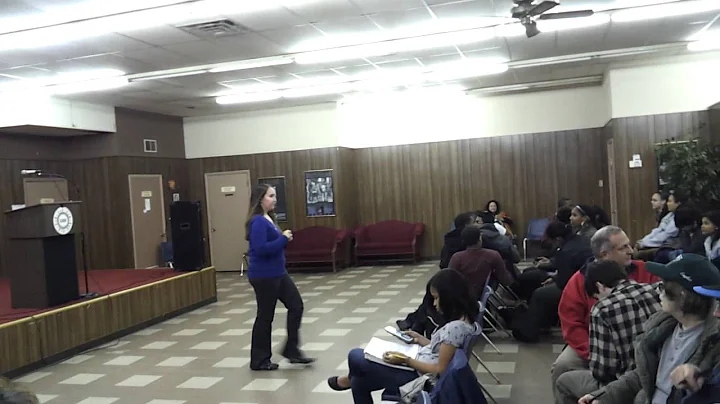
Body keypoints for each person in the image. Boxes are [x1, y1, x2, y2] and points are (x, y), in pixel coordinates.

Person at [578, 254, 720, 404]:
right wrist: (603, 396)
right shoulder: (662, 328)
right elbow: (642, 375)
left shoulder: (714, 342)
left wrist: (699, 382)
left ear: (682, 295)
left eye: (662, 286)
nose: (658, 292)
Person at [327, 269, 479, 404]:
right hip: (417, 364)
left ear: (449, 297)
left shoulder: (455, 328)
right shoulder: (464, 321)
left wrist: (406, 360)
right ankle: (349, 379)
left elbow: (439, 369)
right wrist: (420, 339)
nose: (434, 303)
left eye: (437, 298)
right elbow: (439, 351)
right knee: (358, 382)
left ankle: (346, 379)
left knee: (355, 356)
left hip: (419, 377)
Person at [553, 226, 658, 397]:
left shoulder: (646, 270)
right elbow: (571, 323)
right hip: (593, 344)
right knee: (562, 366)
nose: (631, 251)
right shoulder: (580, 279)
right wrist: (593, 351)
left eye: (629, 245)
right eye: (623, 248)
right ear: (604, 254)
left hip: (642, 343)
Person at [245, 184, 313, 371]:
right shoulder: (258, 221)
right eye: (271, 196)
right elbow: (261, 249)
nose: (274, 199)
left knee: (296, 305)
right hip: (264, 276)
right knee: (265, 317)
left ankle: (292, 349)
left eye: (275, 196)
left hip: (278, 273)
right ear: (260, 199)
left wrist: (282, 238)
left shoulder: (268, 218)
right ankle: (259, 360)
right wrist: (283, 239)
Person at [511, 219, 594, 342]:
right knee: (540, 284)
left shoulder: (566, 250)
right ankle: (543, 325)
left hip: (581, 288)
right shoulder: (579, 241)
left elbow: (565, 281)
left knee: (540, 294)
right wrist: (555, 278)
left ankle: (528, 332)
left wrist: (554, 280)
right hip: (586, 281)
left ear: (558, 239)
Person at [448, 224, 514, 297]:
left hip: (462, 298)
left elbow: (450, 282)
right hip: (483, 297)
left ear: (463, 241)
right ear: (480, 239)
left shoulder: (456, 257)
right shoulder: (492, 255)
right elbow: (505, 279)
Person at [635, 192, 683, 259]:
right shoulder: (669, 216)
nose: (667, 204)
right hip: (659, 244)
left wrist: (644, 243)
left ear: (678, 203)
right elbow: (657, 231)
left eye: (669, 201)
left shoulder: (678, 218)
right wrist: (643, 241)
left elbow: (665, 236)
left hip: (669, 246)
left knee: (639, 254)